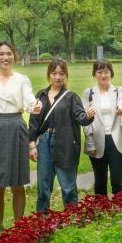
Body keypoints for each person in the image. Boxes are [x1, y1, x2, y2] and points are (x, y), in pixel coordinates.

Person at [0, 41, 40, 230]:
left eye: (9, 53)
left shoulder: (22, 79)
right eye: (1, 54)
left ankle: (19, 228)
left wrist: (34, 105)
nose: (5, 57)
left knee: (18, 183)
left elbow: (29, 98)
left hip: (17, 128)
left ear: (14, 56)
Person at [28, 59, 93, 208]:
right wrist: (32, 145)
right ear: (49, 75)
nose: (57, 77)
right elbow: (33, 122)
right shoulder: (41, 95)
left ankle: (71, 217)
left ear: (66, 76)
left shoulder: (71, 97)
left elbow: (81, 118)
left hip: (65, 143)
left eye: (61, 74)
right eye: (54, 73)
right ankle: (42, 218)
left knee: (68, 187)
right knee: (43, 187)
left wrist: (88, 115)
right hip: (44, 143)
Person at [83, 59, 122, 196]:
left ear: (111, 73)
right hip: (97, 140)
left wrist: (121, 107)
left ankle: (120, 208)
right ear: (94, 74)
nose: (103, 75)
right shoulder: (88, 93)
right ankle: (101, 208)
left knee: (117, 180)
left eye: (106, 72)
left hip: (117, 140)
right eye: (99, 72)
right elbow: (85, 121)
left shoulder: (118, 90)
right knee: (100, 181)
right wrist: (90, 144)